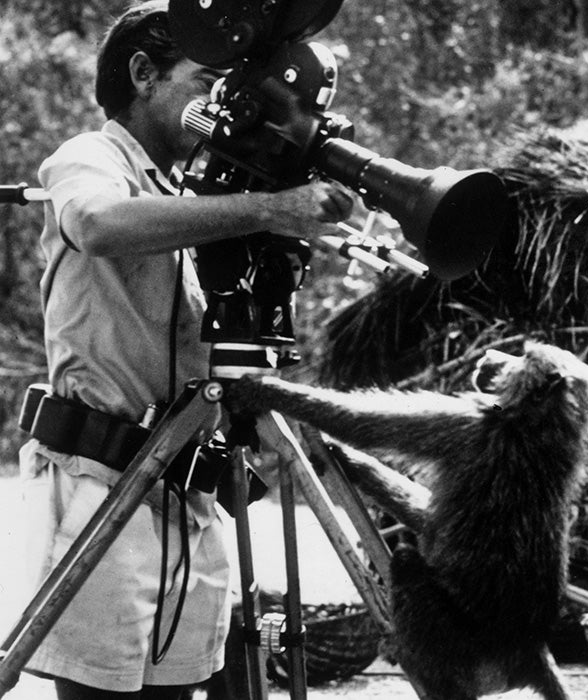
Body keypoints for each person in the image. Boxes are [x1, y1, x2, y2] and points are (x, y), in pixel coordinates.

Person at [17, 2, 357, 699]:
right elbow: (97, 222)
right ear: (144, 74)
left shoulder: (194, 194)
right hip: (102, 481)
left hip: (186, 495)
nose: (222, 105)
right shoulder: (92, 156)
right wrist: (270, 209)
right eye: (207, 81)